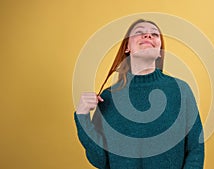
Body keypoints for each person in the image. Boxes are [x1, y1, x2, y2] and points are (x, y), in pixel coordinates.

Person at [74, 19, 205, 169]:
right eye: (139, 33)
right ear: (127, 47)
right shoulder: (108, 97)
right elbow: (100, 160)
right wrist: (82, 116)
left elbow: (196, 148)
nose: (148, 36)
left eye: (154, 34)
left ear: (160, 51)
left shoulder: (181, 90)